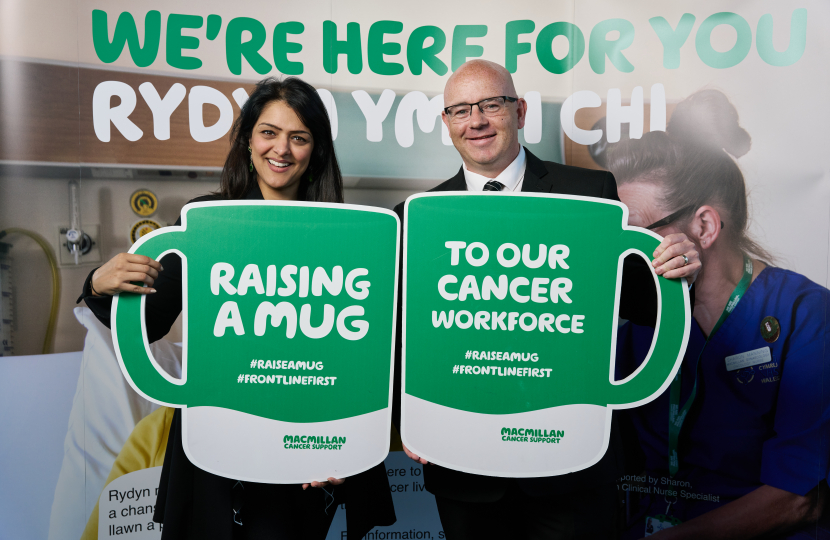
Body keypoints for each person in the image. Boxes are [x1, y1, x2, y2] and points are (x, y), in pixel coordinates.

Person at [391, 59, 701, 540]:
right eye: (460, 110)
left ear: (519, 112)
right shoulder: (417, 216)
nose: (476, 121)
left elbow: (637, 305)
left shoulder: (590, 192)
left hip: (569, 465)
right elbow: (401, 335)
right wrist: (411, 419)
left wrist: (676, 268)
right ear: (447, 123)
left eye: (490, 104)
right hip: (464, 465)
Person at [77, 77, 396, 540]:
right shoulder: (210, 220)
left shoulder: (343, 231)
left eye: (299, 137)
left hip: (304, 448)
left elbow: (359, 357)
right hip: (217, 451)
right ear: (249, 142)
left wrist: (342, 447)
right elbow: (145, 322)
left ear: (316, 152)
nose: (281, 149)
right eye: (269, 132)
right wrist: (96, 284)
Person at [607, 89, 829, 539]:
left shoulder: (806, 315)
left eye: (635, 233)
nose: (620, 250)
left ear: (704, 227)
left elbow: (798, 499)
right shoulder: (629, 315)